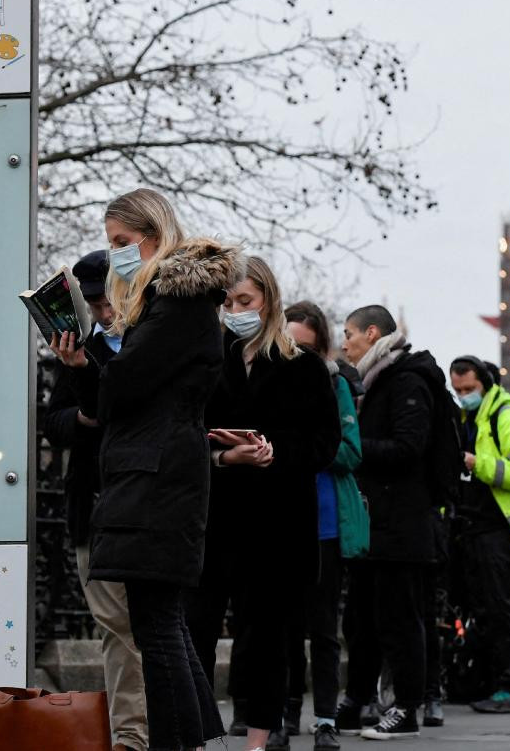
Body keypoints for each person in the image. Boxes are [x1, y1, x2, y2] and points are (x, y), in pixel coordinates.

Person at [50, 188, 243, 751]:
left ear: (156, 238)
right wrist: (86, 369)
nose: (116, 256)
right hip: (155, 474)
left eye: (123, 243)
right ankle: (195, 740)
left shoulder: (175, 303)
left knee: (158, 631)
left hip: (154, 478)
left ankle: (176, 743)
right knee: (165, 626)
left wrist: (86, 365)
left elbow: (123, 389)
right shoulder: (176, 303)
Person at [184, 257, 340, 751]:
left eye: (244, 301)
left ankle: (258, 740)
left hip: (279, 524)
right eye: (227, 302)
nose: (234, 310)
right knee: (198, 631)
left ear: (268, 300)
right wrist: (225, 454)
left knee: (268, 639)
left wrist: (274, 453)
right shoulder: (209, 360)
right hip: (217, 520)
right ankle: (199, 737)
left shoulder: (306, 367)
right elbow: (187, 433)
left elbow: (325, 443)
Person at [43, 250, 146, 751]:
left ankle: (157, 728)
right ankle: (131, 734)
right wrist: (85, 412)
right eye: (95, 306)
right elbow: (56, 422)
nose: (105, 315)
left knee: (157, 627)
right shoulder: (77, 349)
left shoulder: (150, 344)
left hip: (148, 503)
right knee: (114, 628)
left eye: (109, 303)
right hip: (95, 502)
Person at [341, 305, 448, 740]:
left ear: (371, 334)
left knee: (400, 619)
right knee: (361, 617)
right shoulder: (376, 379)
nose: (344, 342)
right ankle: (357, 700)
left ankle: (406, 708)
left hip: (402, 525)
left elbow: (408, 448)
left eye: (348, 333)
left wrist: (350, 444)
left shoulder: (405, 380)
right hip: (376, 523)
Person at [264, 301, 362, 751]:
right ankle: (283, 714)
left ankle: (325, 717)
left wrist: (303, 448)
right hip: (279, 518)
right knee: (281, 627)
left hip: (322, 522)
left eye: (305, 346)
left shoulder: (334, 382)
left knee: (323, 628)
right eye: (290, 345)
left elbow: (349, 450)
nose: (297, 355)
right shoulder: (267, 378)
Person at [449, 355, 510, 714]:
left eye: (469, 389)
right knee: (486, 610)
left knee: (505, 610)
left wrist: (477, 464)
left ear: (485, 383)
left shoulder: (506, 415)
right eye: (457, 390)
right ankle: (493, 683)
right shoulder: (471, 416)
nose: (463, 395)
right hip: (477, 527)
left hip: (502, 528)